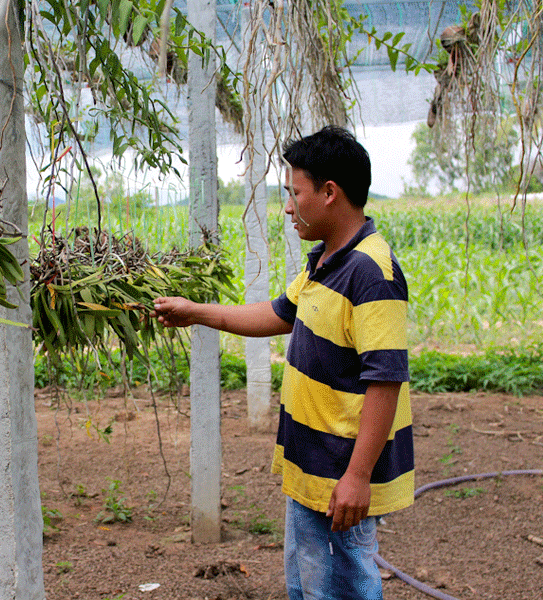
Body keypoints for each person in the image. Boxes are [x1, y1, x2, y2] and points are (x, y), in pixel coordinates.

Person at [152, 126, 414, 600]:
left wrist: (356, 477)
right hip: (312, 465)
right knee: (311, 583)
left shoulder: (372, 273)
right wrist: (194, 311)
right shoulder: (328, 261)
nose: (289, 207)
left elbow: (386, 380)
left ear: (329, 193)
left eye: (295, 193)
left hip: (341, 473)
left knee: (348, 580)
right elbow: (276, 314)